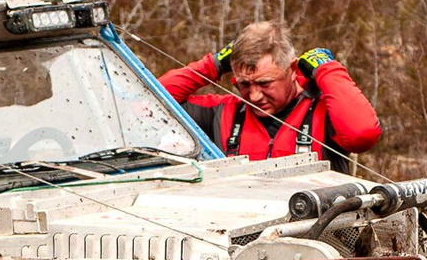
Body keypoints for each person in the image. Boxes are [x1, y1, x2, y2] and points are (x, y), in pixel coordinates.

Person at [158, 20, 383, 166]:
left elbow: (362, 135)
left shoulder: (323, 111)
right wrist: (213, 64)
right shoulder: (223, 112)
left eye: (265, 83)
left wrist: (326, 69)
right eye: (244, 84)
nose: (254, 96)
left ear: (292, 70)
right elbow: (148, 105)